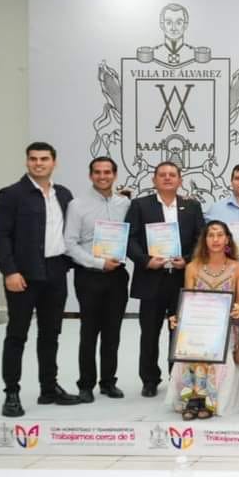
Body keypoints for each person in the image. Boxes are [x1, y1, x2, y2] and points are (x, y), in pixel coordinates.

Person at [0, 142, 79, 416]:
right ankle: (11, 394)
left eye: (44, 159)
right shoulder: (11, 194)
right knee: (17, 335)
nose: (38, 163)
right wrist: (10, 271)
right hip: (23, 275)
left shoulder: (63, 194)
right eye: (33, 159)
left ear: (54, 162)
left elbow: (73, 230)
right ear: (27, 162)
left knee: (51, 334)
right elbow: (0, 235)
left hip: (55, 273)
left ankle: (48, 388)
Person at [125, 160, 204, 398]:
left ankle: (176, 377)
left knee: (179, 332)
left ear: (180, 180)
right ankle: (149, 379)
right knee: (149, 332)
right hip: (151, 277)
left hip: (180, 278)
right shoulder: (140, 205)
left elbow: (200, 239)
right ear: (154, 180)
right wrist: (145, 260)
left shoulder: (192, 206)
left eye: (172, 174)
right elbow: (129, 238)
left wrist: (188, 260)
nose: (167, 178)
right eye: (162, 175)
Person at [63, 156, 131, 402]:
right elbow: (69, 244)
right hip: (89, 276)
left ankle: (108, 382)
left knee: (113, 332)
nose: (103, 176)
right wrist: (99, 263)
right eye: (97, 172)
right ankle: (86, 384)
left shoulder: (124, 203)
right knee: (89, 332)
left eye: (107, 172)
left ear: (114, 175)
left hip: (117, 276)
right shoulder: (77, 205)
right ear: (90, 175)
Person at [168, 221, 239, 419]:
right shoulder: (192, 267)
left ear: (227, 239)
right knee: (192, 344)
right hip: (198, 324)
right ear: (204, 240)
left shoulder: (238, 268)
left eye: (220, 235)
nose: (215, 239)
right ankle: (193, 398)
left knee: (214, 346)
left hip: (226, 326)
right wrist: (178, 318)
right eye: (211, 235)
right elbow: (188, 301)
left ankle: (208, 400)